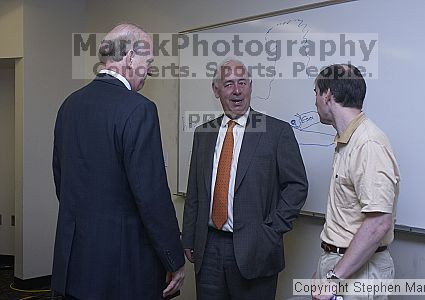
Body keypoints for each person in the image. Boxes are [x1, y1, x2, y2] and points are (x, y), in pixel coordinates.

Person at [52, 23, 185, 300]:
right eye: (148, 62)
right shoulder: (139, 109)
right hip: (124, 270)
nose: (149, 71)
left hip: (75, 265)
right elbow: (151, 197)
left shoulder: (69, 105)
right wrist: (174, 259)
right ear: (129, 57)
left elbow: (61, 181)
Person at [182, 58, 308, 300]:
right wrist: (189, 236)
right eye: (228, 84)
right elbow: (195, 190)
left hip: (256, 250)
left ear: (251, 86)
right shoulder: (203, 133)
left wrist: (271, 230)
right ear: (216, 89)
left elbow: (297, 186)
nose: (237, 90)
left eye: (242, 82)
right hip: (207, 249)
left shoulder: (276, 132)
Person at [312, 64, 400, 300]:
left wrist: (334, 279)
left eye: (316, 92)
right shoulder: (347, 140)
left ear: (328, 94)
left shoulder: (368, 144)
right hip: (341, 265)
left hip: (358, 274)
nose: (316, 100)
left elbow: (379, 223)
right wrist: (324, 271)